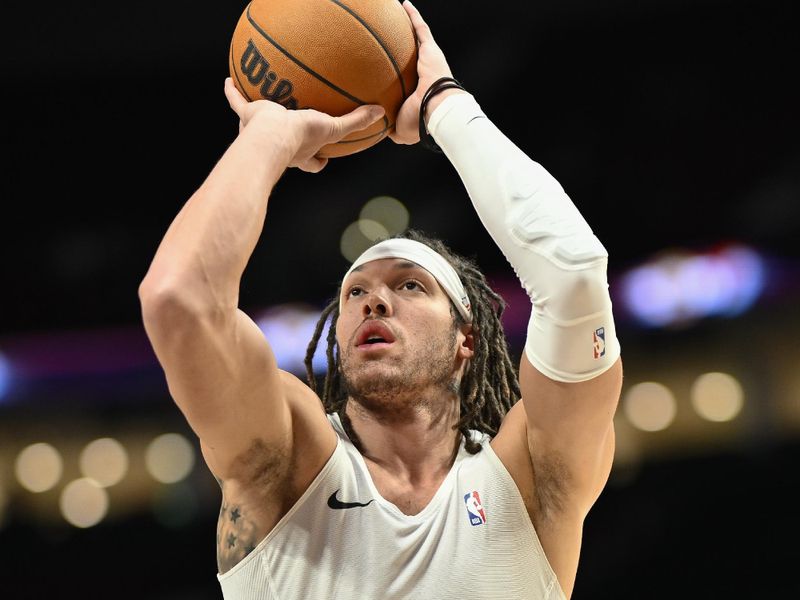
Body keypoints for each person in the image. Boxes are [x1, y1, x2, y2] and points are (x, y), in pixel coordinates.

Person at [138, 2, 622, 598]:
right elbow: (178, 300)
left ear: (465, 339)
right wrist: (267, 136)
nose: (374, 302)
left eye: (409, 286)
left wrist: (445, 104)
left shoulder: (533, 482)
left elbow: (573, 274)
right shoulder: (288, 462)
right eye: (355, 293)